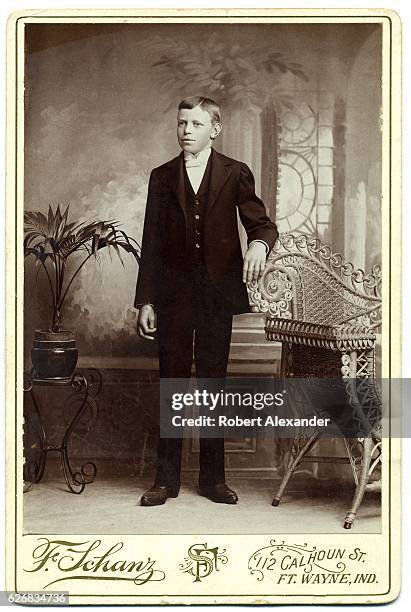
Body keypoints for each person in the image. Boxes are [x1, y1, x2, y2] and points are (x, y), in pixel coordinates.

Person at [135, 96, 278, 506]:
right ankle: (165, 481)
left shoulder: (235, 172)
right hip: (173, 298)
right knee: (173, 385)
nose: (186, 131)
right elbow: (152, 242)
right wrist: (146, 301)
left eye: (196, 124)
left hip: (216, 297)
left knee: (214, 386)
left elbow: (263, 224)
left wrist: (258, 247)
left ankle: (213, 480)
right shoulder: (161, 177)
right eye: (182, 123)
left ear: (214, 129)